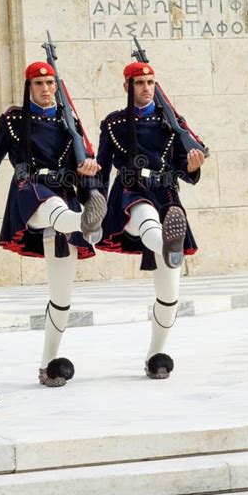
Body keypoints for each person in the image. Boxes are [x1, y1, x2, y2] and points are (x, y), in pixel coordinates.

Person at [0, 61, 106, 387]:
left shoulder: (69, 122)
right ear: (29, 87)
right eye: (39, 83)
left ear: (56, 86)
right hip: (31, 192)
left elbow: (85, 171)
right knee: (54, 208)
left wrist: (91, 182)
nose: (45, 89)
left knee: (62, 297)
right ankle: (86, 223)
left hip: (65, 196)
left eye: (50, 83)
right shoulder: (14, 120)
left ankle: (48, 365)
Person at [95, 61, 206, 379]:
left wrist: (194, 164)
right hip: (130, 192)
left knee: (170, 296)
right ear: (127, 86)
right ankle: (167, 243)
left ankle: (156, 353)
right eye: (140, 82)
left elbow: (185, 172)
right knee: (144, 215)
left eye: (151, 82)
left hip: (168, 197)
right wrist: (93, 205)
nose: (146, 87)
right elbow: (102, 170)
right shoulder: (114, 123)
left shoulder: (172, 122)